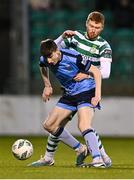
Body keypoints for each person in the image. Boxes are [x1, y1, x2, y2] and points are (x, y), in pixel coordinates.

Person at [29, 11, 112, 167]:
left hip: (88, 88)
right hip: (69, 90)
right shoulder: (75, 37)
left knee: (84, 124)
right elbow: (51, 49)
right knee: (53, 125)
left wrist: (86, 75)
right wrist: (47, 85)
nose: (93, 29)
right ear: (86, 23)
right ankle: (59, 155)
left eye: (98, 27)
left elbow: (104, 73)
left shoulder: (104, 46)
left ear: (102, 28)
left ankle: (101, 158)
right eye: (91, 26)